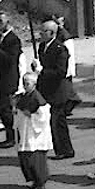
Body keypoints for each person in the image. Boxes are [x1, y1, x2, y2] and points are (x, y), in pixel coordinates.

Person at [36, 19, 74, 159]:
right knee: (50, 121)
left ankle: (65, 150)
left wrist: (43, 71)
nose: (40, 34)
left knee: (58, 122)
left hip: (57, 91)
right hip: (46, 88)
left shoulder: (60, 49)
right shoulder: (42, 46)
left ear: (52, 33)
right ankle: (60, 149)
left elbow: (60, 72)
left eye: (43, 31)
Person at [15, 71, 52, 189]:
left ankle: (40, 182)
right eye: (24, 83)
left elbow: (44, 116)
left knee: (35, 159)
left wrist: (31, 115)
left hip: (35, 135)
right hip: (27, 131)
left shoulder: (38, 98)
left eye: (27, 83)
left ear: (34, 84)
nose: (25, 86)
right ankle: (34, 180)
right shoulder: (25, 96)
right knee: (26, 158)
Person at [0, 11, 23, 148]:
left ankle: (12, 137)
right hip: (1, 78)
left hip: (10, 79)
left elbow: (11, 59)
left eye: (1, 21)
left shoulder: (13, 40)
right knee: (3, 109)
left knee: (4, 108)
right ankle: (12, 135)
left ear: (8, 22)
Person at [52, 13, 81, 116]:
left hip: (65, 66)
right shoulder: (56, 33)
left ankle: (71, 103)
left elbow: (69, 54)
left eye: (58, 22)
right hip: (60, 66)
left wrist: (68, 68)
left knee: (66, 89)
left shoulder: (65, 36)